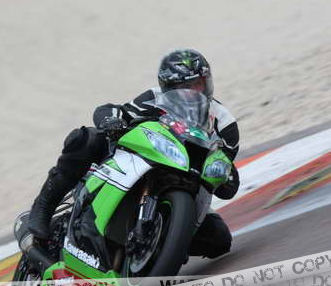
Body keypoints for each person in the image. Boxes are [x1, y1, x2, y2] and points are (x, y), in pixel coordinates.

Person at [22, 49, 240, 259]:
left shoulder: (224, 121)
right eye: (184, 87)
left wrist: (225, 175)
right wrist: (111, 121)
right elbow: (110, 110)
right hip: (145, 162)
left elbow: (227, 173)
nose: (192, 92)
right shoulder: (154, 98)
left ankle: (161, 246)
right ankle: (43, 208)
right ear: (168, 87)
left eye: (197, 84)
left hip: (188, 183)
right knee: (86, 138)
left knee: (219, 240)